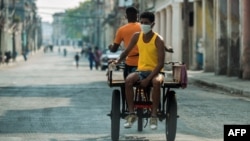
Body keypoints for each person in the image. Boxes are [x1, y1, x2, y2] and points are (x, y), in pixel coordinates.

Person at [114, 11, 166, 130]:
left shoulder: (158, 39)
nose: (143, 25)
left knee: (156, 82)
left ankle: (153, 116)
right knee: (128, 80)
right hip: (141, 71)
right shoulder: (137, 36)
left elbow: (161, 63)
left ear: (152, 24)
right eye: (141, 22)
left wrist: (148, 79)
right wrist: (117, 60)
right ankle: (132, 113)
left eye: (146, 23)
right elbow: (126, 52)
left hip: (156, 72)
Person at [109, 6, 141, 79]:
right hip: (144, 61)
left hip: (131, 62)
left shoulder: (121, 30)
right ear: (137, 16)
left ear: (126, 16)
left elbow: (114, 49)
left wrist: (110, 47)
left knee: (127, 83)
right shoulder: (143, 27)